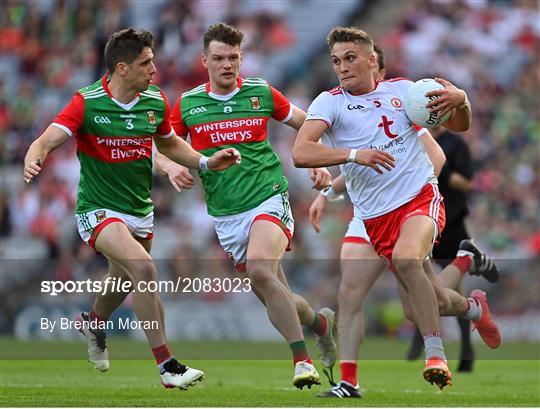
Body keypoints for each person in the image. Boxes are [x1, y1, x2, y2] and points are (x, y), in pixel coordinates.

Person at [23, 28, 241, 389]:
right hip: (97, 209)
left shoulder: (154, 100)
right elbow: (45, 140)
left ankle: (93, 322)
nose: (154, 69)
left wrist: (203, 162)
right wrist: (35, 158)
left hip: (139, 209)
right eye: (146, 62)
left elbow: (170, 145)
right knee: (144, 269)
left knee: (122, 281)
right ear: (122, 68)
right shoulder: (87, 101)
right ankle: (167, 366)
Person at [292, 26, 501, 391]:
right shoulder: (330, 102)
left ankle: (434, 354)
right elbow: (300, 153)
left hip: (420, 198)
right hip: (374, 218)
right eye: (336, 61)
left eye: (350, 58)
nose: (342, 67)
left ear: (372, 60)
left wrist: (462, 100)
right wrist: (353, 158)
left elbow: (459, 125)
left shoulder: (406, 93)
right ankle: (473, 309)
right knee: (429, 299)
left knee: (405, 261)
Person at [169, 22, 336, 389]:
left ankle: (302, 362)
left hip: (268, 195)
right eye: (218, 58)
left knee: (260, 270)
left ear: (241, 58)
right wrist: (169, 168)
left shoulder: (261, 92)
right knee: (281, 298)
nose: (226, 64)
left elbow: (306, 123)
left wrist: (320, 161)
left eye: (233, 57)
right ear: (204, 60)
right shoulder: (188, 104)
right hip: (227, 214)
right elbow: (162, 144)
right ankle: (322, 326)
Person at [406, 125, 500, 371]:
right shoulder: (409, 137)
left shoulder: (454, 144)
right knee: (420, 283)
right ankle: (426, 332)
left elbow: (467, 184)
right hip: (416, 216)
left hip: (448, 219)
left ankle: (464, 345)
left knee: (439, 287)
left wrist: (440, 170)